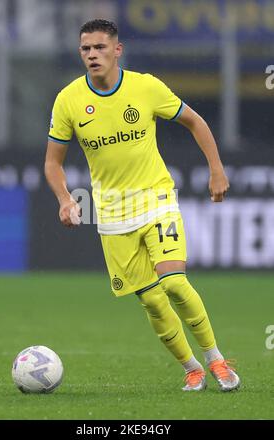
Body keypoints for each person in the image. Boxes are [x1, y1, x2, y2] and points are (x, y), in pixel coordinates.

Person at [45, 19, 240, 392]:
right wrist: (65, 199)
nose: (92, 55)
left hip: (156, 199)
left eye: (100, 47)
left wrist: (216, 169)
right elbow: (52, 162)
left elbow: (194, 122)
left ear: (117, 50)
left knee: (175, 284)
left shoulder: (146, 87)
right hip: (112, 213)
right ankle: (191, 368)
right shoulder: (68, 99)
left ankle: (216, 359)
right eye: (86, 49)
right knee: (151, 301)